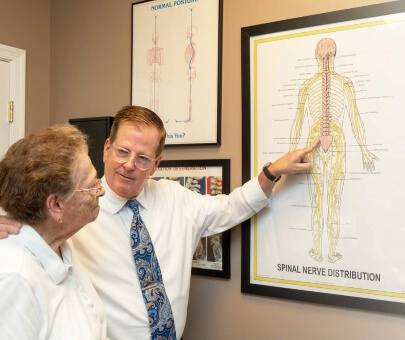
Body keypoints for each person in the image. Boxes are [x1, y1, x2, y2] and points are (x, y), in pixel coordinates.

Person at [0, 105, 319, 339]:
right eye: (122, 152)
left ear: (156, 163)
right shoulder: (80, 211)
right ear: (108, 149)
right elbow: (31, 202)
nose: (128, 165)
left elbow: (232, 206)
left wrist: (272, 172)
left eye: (142, 158)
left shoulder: (177, 200)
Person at [0, 125, 107, 338]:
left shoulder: (58, 246)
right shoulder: (14, 278)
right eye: (91, 186)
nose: (101, 190)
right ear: (56, 205)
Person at [288, 38, 378, 263]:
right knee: (327, 199)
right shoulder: (326, 84)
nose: (326, 59)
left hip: (326, 138)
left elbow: (354, 117)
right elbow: (299, 120)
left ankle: (322, 251)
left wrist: (365, 149)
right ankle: (327, 252)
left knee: (323, 199)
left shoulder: (313, 85)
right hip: (327, 139)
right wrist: (291, 153)